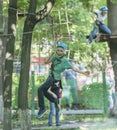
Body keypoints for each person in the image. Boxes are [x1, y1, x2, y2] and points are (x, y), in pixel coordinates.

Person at [37, 42, 90, 118]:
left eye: (61, 51)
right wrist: (51, 54)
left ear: (64, 51)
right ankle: (54, 99)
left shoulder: (65, 61)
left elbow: (74, 68)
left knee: (40, 89)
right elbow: (46, 62)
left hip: (54, 78)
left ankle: (42, 108)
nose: (59, 52)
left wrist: (83, 72)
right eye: (58, 50)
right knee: (44, 91)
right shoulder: (55, 57)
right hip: (50, 77)